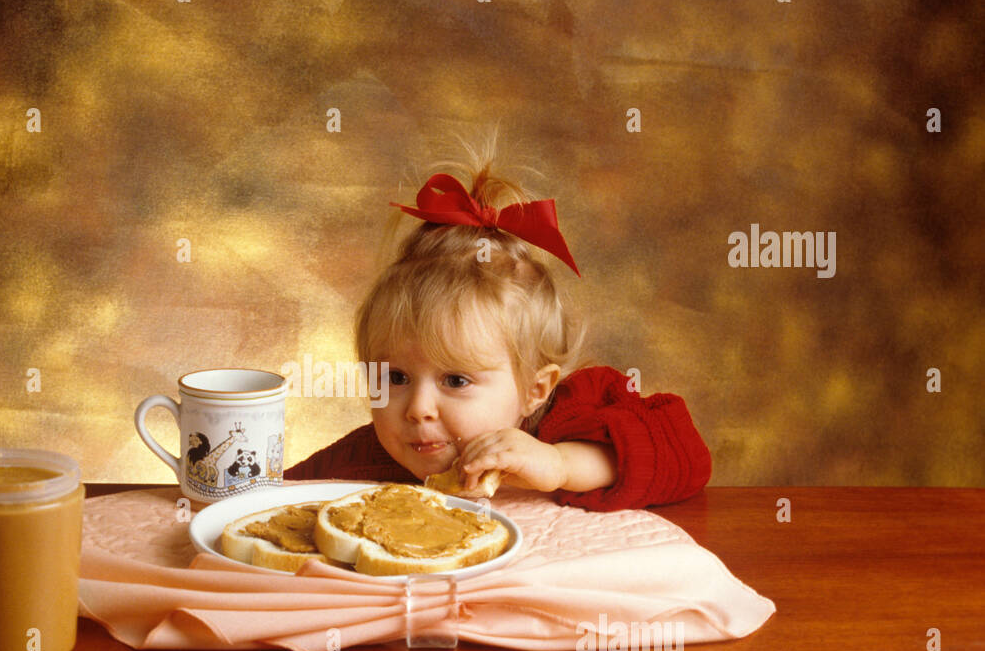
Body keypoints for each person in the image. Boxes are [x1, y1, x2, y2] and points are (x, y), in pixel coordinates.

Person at [285, 154, 711, 511]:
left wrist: (560, 465)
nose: (418, 409)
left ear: (535, 388)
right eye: (396, 377)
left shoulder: (573, 418)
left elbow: (688, 458)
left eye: (455, 380)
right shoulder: (365, 460)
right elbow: (273, 503)